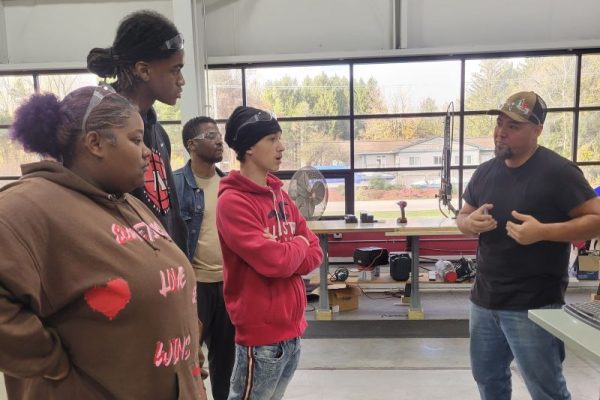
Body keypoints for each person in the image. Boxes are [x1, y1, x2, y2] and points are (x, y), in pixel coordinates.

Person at [0, 86, 206, 399]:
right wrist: (49, 360)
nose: (148, 152)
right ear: (95, 142)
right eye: (136, 140)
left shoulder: (126, 202)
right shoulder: (24, 208)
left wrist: (186, 353)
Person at [456, 91, 600, 400]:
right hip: (484, 300)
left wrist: (543, 231)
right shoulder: (486, 172)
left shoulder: (559, 172)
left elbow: (596, 219)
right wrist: (469, 223)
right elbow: (463, 214)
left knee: (545, 389)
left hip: (534, 304)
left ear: (537, 130)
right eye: (499, 123)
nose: (501, 132)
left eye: (514, 126)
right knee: (488, 380)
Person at [216, 106, 323, 400]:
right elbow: (275, 262)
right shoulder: (233, 202)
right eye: (272, 139)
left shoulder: (281, 195)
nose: (282, 146)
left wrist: (292, 248)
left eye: (281, 138)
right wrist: (297, 245)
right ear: (249, 146)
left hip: (291, 332)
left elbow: (315, 253)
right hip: (260, 339)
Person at [87, 9, 188, 253]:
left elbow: (167, 211)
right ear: (143, 70)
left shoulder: (157, 133)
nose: (182, 80)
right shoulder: (97, 128)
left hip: (165, 273)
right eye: (175, 69)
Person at [174, 117, 235, 400]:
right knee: (188, 362)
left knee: (226, 362)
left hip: (228, 287)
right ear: (192, 145)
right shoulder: (175, 186)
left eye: (219, 134)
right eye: (210, 135)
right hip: (194, 289)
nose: (218, 140)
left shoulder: (229, 185)